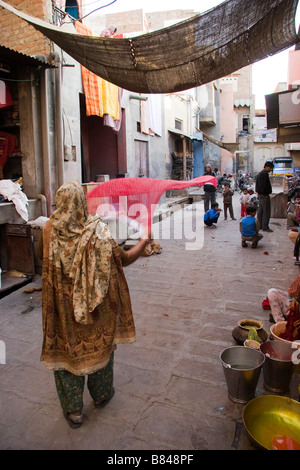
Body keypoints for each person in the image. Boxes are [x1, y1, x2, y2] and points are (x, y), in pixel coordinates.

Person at [37, 181, 152, 429]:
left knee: (67, 355)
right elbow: (124, 259)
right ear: (82, 202)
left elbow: (40, 257)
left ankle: (74, 412)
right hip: (95, 307)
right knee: (101, 347)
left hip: (62, 310)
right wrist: (143, 242)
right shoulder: (98, 231)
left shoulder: (48, 230)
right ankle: (101, 396)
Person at [255, 161, 274, 232]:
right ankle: (265, 226)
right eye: (270, 168)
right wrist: (265, 193)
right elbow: (263, 186)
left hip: (261, 195)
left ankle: (259, 225)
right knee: (266, 211)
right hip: (264, 195)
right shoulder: (264, 174)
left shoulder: (261, 173)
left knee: (261, 210)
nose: (271, 170)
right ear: (267, 167)